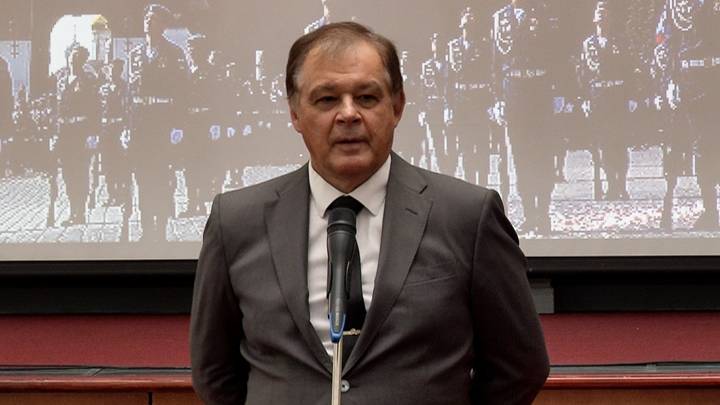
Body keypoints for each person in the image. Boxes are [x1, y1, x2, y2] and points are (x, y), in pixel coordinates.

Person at [191, 22, 549, 405]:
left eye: (366, 97)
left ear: (397, 107)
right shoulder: (236, 221)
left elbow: (520, 366)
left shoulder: (467, 217)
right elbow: (214, 373)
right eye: (326, 99)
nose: (348, 114)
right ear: (295, 113)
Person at [128, 3, 187, 241]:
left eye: (153, 19)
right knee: (142, 177)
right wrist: (127, 127)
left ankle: (160, 226)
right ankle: (146, 227)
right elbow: (129, 95)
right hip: (141, 124)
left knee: (162, 176)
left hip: (163, 122)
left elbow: (182, 92)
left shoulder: (174, 53)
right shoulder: (134, 55)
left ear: (163, 25)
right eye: (146, 19)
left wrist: (178, 126)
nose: (148, 22)